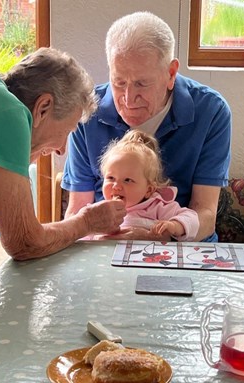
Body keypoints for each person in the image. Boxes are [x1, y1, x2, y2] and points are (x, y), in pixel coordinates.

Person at [62, 11, 232, 242]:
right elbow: (77, 209)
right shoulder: (88, 111)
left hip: (180, 247)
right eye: (119, 83)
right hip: (102, 248)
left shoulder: (211, 111)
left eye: (142, 84)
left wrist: (154, 236)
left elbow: (205, 214)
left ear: (171, 73)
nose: (129, 99)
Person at [0, 47, 126, 260]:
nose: (62, 149)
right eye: (67, 131)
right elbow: (25, 242)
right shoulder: (8, 114)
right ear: (43, 107)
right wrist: (87, 222)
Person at [99, 130, 199, 241]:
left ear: (149, 190)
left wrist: (174, 226)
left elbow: (192, 219)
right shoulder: (100, 210)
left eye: (127, 180)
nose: (116, 186)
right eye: (111, 178)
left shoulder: (156, 207)